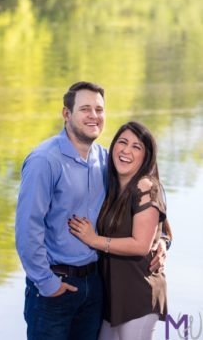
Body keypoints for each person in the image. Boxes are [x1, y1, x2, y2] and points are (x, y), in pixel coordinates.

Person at [15, 81, 167, 340]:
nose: (93, 116)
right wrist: (47, 283)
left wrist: (163, 240)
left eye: (99, 109)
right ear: (66, 114)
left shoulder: (105, 160)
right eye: (85, 109)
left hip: (95, 287)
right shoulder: (44, 161)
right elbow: (27, 230)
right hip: (55, 286)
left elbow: (150, 199)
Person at [69, 121, 170, 340]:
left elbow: (142, 244)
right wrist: (163, 241)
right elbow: (164, 230)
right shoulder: (109, 183)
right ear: (113, 146)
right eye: (122, 142)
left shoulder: (146, 186)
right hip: (110, 295)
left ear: (147, 156)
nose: (126, 150)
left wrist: (93, 240)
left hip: (137, 294)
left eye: (136, 147)